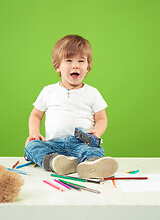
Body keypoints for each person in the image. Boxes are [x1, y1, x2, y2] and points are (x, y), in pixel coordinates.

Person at [25, 34, 118, 178]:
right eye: (69, 60)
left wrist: (97, 132)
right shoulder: (48, 91)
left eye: (81, 61)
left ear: (88, 68)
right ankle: (54, 162)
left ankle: (91, 163)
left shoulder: (92, 93)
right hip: (52, 145)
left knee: (95, 149)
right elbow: (36, 115)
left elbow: (101, 119)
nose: (75, 65)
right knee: (31, 147)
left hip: (81, 143)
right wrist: (34, 133)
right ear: (57, 67)